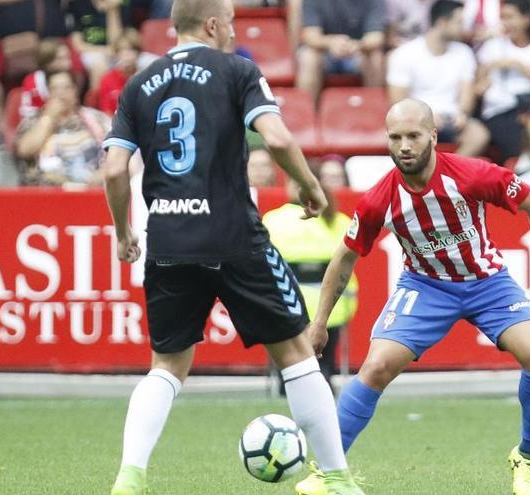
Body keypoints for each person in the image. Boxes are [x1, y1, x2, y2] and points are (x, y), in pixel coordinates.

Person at [100, 1, 365, 494]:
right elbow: (278, 138)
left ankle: (129, 477)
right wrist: (309, 184)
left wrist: (122, 231)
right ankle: (336, 477)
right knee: (296, 353)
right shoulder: (237, 69)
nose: (236, 34)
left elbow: (115, 170)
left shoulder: (138, 85)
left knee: (167, 365)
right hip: (233, 234)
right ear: (214, 24)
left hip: (168, 239)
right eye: (233, 25)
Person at [295, 99, 530, 495]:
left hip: (487, 281)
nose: (404, 146)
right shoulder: (380, 198)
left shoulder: (471, 174)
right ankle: (329, 470)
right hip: (425, 286)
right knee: (375, 367)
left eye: (413, 136)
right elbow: (344, 257)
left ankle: (527, 457)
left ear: (432, 136)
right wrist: (320, 322)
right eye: (395, 138)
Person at [264, 176, 359, 390]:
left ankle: (285, 379)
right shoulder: (338, 220)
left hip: (284, 305)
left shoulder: (273, 220)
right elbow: (346, 268)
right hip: (331, 310)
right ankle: (324, 374)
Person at [388, 0, 490, 156]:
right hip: (416, 118)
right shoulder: (404, 54)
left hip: (452, 119)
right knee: (414, 134)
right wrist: (425, 116)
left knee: (478, 135)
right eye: (459, 22)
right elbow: (398, 100)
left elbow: (466, 92)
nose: (463, 28)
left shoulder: (464, 52)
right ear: (442, 22)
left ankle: (449, 174)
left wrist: (462, 114)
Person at [0, 0, 75, 138]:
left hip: (51, 38)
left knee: (74, 64)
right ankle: (4, 132)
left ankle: (72, 122)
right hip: (0, 40)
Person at [476, 0, 530, 161]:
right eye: (503, 18)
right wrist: (485, 76)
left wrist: (519, 66)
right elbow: (478, 89)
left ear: (527, 18)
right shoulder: (492, 46)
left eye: (510, 17)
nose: (506, 23)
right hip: (499, 112)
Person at [15, 70, 111, 186]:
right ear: (47, 93)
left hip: (92, 190)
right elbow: (24, 150)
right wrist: (49, 118)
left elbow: (118, 154)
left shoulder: (97, 119)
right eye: (54, 89)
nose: (61, 93)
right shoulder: (33, 120)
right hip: (46, 193)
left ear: (75, 91)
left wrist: (103, 174)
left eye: (66, 88)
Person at [297, 0, 388, 102]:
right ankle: (306, 111)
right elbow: (310, 36)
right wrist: (330, 42)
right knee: (308, 57)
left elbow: (376, 37)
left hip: (359, 53)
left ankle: (374, 110)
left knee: (375, 57)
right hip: (325, 52)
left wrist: (357, 45)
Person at [66, 0, 125, 88]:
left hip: (113, 51)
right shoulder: (77, 4)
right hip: (88, 51)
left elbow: (116, 42)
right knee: (99, 63)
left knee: (132, 62)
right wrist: (104, 50)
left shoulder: (118, 6)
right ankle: (96, 100)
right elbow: (77, 45)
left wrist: (112, 11)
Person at [18, 39, 76, 120]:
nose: (68, 64)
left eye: (68, 58)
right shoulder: (32, 81)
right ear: (47, 62)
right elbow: (26, 112)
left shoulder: (71, 78)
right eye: (60, 59)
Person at [97, 29, 143, 115]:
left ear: (138, 53)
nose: (126, 54)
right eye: (121, 50)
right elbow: (106, 112)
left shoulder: (145, 77)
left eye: (131, 50)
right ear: (116, 54)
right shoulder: (107, 79)